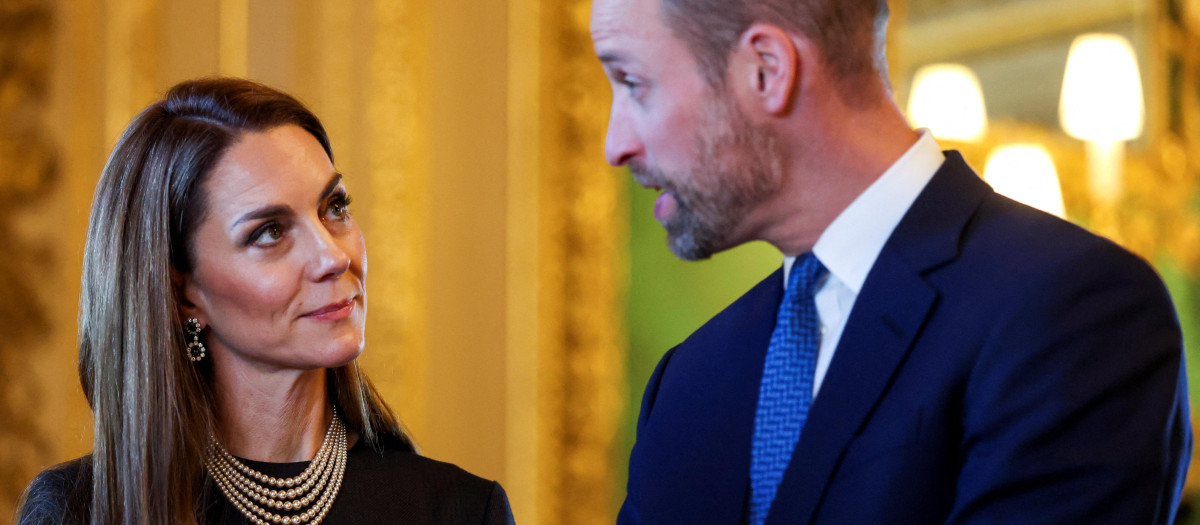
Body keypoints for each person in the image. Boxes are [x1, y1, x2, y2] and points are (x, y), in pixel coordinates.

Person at [592, 0, 1192, 523]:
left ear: (765, 70)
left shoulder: (1075, 311)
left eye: (633, 84)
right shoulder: (688, 381)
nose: (616, 145)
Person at [17, 78, 515, 525]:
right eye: (270, 232)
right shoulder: (78, 510)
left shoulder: (459, 510)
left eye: (334, 208)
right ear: (183, 294)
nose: (332, 256)